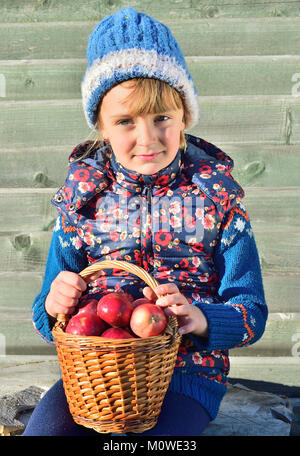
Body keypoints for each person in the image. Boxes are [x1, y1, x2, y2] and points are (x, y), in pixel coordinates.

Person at [23, 7, 268, 436]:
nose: (147, 137)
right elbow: (48, 317)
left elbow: (252, 311)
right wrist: (52, 304)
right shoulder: (82, 201)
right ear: (101, 126)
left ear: (184, 116)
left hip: (186, 376)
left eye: (162, 118)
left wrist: (202, 318)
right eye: (125, 121)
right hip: (94, 380)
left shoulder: (218, 201)